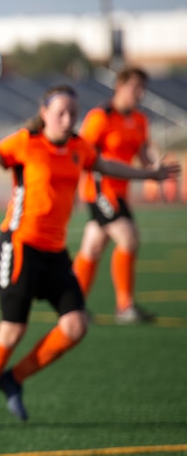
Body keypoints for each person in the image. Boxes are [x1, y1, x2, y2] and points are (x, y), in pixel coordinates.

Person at [0, 85, 179, 430]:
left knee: (75, 325)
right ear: (45, 112)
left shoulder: (78, 148)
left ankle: (13, 378)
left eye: (73, 113)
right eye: (61, 113)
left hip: (55, 253)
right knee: (11, 330)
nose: (68, 120)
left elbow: (108, 166)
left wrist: (151, 174)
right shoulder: (24, 143)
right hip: (19, 247)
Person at [72, 67, 164, 323]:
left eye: (142, 88)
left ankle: (72, 306)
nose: (140, 93)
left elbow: (144, 154)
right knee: (129, 236)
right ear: (119, 86)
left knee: (92, 247)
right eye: (135, 87)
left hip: (121, 192)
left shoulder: (139, 120)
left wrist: (154, 172)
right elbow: (85, 154)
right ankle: (125, 306)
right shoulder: (100, 117)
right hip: (100, 189)